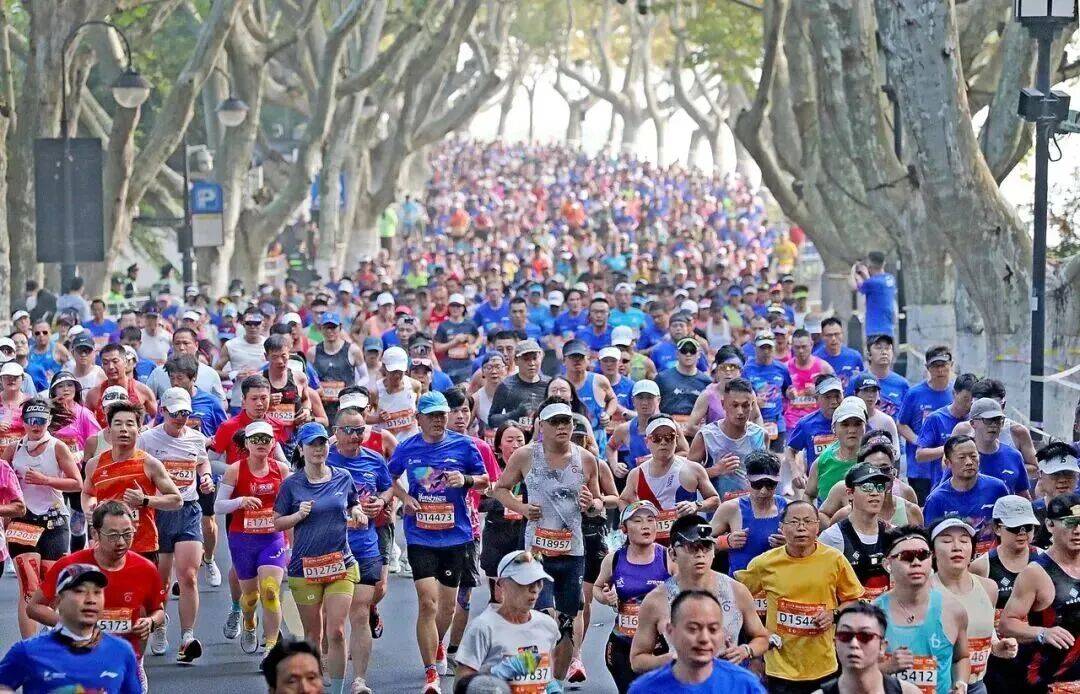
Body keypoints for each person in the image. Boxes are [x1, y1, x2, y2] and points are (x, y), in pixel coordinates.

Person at [489, 398, 604, 691]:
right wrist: (522, 507)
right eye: (555, 422)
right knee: (542, 616)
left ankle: (555, 681)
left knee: (566, 622)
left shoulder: (586, 459)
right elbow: (500, 489)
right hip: (537, 553)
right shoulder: (525, 456)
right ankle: (539, 676)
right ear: (541, 426)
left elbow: (600, 503)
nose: (562, 427)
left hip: (572, 552)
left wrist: (592, 505)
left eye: (566, 421)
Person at [389, 391, 490, 694]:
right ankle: (430, 672)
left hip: (455, 535)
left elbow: (485, 480)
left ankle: (439, 645)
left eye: (442, 415)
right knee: (426, 602)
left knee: (447, 607)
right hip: (420, 535)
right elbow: (388, 478)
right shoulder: (407, 448)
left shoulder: (464, 445)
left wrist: (466, 480)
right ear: (418, 418)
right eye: (431, 415)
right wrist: (405, 498)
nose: (438, 420)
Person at [29, 501, 166, 688]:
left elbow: (158, 611)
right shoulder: (70, 566)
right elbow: (34, 607)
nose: (121, 542)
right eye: (113, 535)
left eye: (127, 534)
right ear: (95, 533)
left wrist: (150, 622)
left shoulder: (146, 569)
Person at [736, 500, 865, 693]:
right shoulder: (764, 564)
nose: (801, 528)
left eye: (807, 521)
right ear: (782, 528)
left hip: (823, 665)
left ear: (817, 526)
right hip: (780, 667)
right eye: (794, 522)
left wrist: (833, 614)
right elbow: (739, 598)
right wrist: (756, 645)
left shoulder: (834, 559)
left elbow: (853, 599)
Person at [274, 422, 363, 694]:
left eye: (322, 443)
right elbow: (277, 522)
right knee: (314, 635)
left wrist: (357, 512)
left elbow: (353, 503)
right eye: (311, 444)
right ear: (301, 449)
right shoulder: (291, 485)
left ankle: (336, 690)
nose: (318, 449)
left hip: (340, 564)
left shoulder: (343, 477)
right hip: (305, 568)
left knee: (336, 631)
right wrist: (298, 515)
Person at [630, 515, 770, 676]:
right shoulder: (656, 600)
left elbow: (762, 637)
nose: (700, 554)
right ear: (673, 553)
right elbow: (637, 660)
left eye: (706, 547)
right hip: (682, 683)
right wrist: (671, 660)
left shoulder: (736, 591)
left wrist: (746, 650)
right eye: (692, 547)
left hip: (727, 682)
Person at [138, 387, 214, 663]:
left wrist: (206, 478)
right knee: (161, 580)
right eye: (175, 413)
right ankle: (159, 626)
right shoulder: (147, 439)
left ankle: (187, 637)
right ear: (163, 411)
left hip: (188, 509)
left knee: (189, 576)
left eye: (184, 413)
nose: (180, 418)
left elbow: (202, 463)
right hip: (158, 512)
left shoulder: (196, 438)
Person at [4, 399, 83, 638]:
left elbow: (77, 483)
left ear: (49, 421)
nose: (35, 425)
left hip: (54, 520)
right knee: (29, 589)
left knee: (50, 590)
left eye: (40, 420)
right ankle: (29, 648)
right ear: (23, 422)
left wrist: (46, 480)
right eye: (30, 420)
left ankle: (52, 630)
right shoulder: (14, 449)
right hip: (23, 520)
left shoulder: (58, 447)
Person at [0, 563, 141, 693]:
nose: (91, 600)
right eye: (80, 591)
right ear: (58, 601)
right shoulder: (28, 651)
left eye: (97, 592)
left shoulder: (121, 651)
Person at [214, 420, 292, 654]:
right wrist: (240, 501)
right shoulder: (235, 470)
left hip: (272, 539)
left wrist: (293, 542)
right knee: (250, 598)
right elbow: (218, 506)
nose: (261, 443)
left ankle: (271, 646)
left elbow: (292, 504)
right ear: (247, 443)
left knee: (270, 591)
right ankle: (249, 623)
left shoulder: (282, 470)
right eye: (255, 439)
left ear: (273, 443)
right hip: (243, 539)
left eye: (265, 439)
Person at [874, 524, 970, 694]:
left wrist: (961, 683)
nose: (916, 563)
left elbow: (961, 658)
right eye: (906, 556)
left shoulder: (954, 610)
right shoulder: (873, 614)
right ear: (887, 564)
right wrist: (888, 667)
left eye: (923, 555)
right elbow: (856, 672)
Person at [999, 492, 1080, 692]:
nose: (1077, 530)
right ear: (1050, 525)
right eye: (1069, 523)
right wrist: (1042, 633)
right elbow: (1006, 624)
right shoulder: (1035, 573)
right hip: (1049, 680)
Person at [82, 401, 184, 560]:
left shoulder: (150, 464)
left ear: (139, 429)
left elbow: (177, 500)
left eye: (130, 424)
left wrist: (145, 500)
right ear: (109, 429)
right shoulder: (94, 464)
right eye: (118, 424)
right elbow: (87, 493)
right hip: (106, 547)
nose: (124, 429)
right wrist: (90, 509)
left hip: (143, 547)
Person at [929, 517, 1018, 694]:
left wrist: (996, 646)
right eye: (946, 541)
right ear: (932, 551)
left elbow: (986, 627)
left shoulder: (989, 587)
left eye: (964, 541)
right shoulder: (924, 591)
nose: (957, 547)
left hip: (977, 686)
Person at [454, 550, 559, 692]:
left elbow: (547, 673)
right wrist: (497, 674)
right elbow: (460, 687)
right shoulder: (483, 627)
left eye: (538, 582)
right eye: (526, 582)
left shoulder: (548, 625)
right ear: (501, 584)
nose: (534, 589)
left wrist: (551, 686)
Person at [592, 501, 670, 693]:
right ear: (624, 528)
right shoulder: (614, 559)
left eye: (650, 520)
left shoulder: (669, 558)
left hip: (659, 647)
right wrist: (605, 597)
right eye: (637, 521)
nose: (646, 526)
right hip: (622, 645)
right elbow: (597, 587)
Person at [628, 590, 767, 694]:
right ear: (670, 631)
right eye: (693, 629)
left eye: (713, 629)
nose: (704, 638)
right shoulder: (644, 689)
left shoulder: (745, 686)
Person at [970, 495, 1042, 693]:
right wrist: (995, 644)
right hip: (1001, 653)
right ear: (997, 528)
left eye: (1027, 527)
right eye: (1014, 527)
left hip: (1038, 652)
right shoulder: (981, 566)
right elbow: (979, 617)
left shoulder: (1044, 559)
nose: (1022, 533)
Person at [619, 415, 719, 543]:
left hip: (685, 541)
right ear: (647, 442)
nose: (663, 442)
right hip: (651, 543)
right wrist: (632, 518)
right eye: (656, 438)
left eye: (669, 437)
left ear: (676, 440)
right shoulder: (636, 473)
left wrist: (696, 505)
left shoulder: (693, 468)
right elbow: (623, 500)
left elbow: (715, 500)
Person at [923, 435, 1009, 557]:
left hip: (993, 560)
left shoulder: (997, 488)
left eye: (973, 456)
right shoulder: (936, 500)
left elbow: (1009, 526)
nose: (969, 462)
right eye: (962, 457)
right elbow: (930, 542)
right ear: (948, 463)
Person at [817, 463, 892, 599]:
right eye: (867, 487)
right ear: (850, 493)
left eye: (880, 487)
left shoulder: (893, 534)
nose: (875, 493)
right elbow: (821, 588)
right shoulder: (832, 538)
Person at [712, 451, 787, 582]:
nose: (763, 491)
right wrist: (725, 542)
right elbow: (699, 543)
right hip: (741, 587)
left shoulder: (789, 508)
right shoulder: (731, 509)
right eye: (757, 484)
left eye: (770, 484)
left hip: (778, 585)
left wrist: (790, 545)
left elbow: (812, 547)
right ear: (747, 481)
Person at [689, 378, 768, 502]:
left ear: (752, 405)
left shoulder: (760, 435)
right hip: (716, 508)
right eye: (734, 405)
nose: (740, 412)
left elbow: (767, 474)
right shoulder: (706, 436)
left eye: (745, 405)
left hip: (751, 506)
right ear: (723, 404)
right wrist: (715, 470)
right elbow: (687, 476)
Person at [813, 603, 920, 694]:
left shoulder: (907, 692)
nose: (854, 644)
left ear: (882, 646)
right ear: (835, 643)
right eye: (845, 636)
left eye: (865, 636)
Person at [898, 346, 955, 501]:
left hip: (950, 466)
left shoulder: (956, 394)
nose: (940, 370)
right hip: (920, 469)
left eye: (943, 365)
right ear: (927, 368)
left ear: (951, 365)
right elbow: (901, 424)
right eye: (935, 366)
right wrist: (918, 440)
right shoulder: (915, 393)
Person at [915, 373, 978, 492]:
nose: (969, 404)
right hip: (943, 484)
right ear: (954, 393)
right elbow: (920, 455)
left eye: (973, 400)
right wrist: (952, 449)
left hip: (971, 485)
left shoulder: (978, 420)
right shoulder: (936, 418)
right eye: (965, 399)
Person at [784, 374, 844, 495]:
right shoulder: (806, 424)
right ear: (817, 398)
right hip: (818, 489)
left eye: (837, 396)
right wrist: (795, 471)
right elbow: (791, 450)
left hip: (846, 486)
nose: (834, 402)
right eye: (828, 397)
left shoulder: (853, 421)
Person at [805, 397, 867, 506]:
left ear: (865, 427)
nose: (852, 430)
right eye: (845, 424)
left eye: (857, 424)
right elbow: (808, 495)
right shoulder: (822, 462)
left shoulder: (873, 459)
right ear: (834, 428)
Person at [963, 398, 1030, 496]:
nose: (994, 425)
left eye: (998, 420)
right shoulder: (961, 456)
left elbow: (1023, 495)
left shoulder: (1014, 456)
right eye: (988, 420)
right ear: (973, 423)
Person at [487, 339, 550, 437]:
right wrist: (515, 414)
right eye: (526, 359)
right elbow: (492, 420)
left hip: (544, 438)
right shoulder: (506, 386)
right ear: (516, 361)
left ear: (541, 358)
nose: (531, 363)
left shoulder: (549, 384)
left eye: (535, 358)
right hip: (517, 439)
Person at [85, 343, 158, 427]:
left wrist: (146, 429)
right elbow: (84, 421)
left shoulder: (142, 390)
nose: (111, 367)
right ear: (102, 366)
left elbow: (158, 417)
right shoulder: (93, 394)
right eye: (105, 363)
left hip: (135, 435)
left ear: (125, 362)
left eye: (115, 361)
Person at [742, 330, 793, 451]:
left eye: (769, 347)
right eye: (762, 348)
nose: (766, 351)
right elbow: (741, 395)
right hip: (754, 421)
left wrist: (790, 394)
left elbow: (787, 390)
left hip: (777, 423)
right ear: (755, 348)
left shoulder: (782, 369)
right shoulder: (747, 369)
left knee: (778, 458)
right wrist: (753, 402)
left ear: (774, 348)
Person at [656, 337, 711, 424]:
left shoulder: (707, 381)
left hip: (696, 426)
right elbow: (654, 404)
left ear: (699, 354)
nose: (688, 354)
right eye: (684, 350)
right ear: (677, 354)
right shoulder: (662, 378)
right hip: (667, 424)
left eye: (692, 351)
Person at [850, 252, 897, 340]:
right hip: (888, 330)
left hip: (874, 330)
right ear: (884, 263)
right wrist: (865, 276)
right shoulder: (890, 278)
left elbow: (854, 287)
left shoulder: (871, 283)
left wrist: (852, 272)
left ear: (869, 264)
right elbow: (874, 286)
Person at [813, 318, 864, 387]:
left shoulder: (855, 356)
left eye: (836, 334)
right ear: (822, 336)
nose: (833, 339)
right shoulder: (815, 359)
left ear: (842, 334)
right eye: (829, 335)